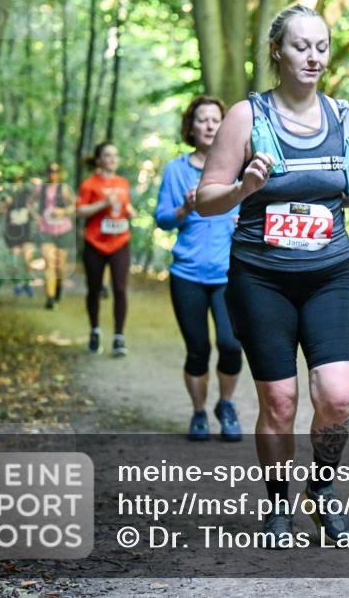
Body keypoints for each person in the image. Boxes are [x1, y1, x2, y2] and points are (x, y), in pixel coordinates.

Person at [196, 5, 349, 547]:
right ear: (277, 50)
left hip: (329, 273)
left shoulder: (343, 116)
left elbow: (340, 195)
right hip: (261, 278)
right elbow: (207, 199)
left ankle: (322, 489)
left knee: (338, 397)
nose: (313, 56)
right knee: (279, 401)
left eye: (322, 46)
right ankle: (278, 504)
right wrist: (242, 190)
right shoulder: (245, 117)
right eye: (301, 46)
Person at [155, 96, 244, 442]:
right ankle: (199, 412)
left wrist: (244, 219)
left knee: (231, 344)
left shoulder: (238, 170)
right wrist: (183, 209)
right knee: (198, 350)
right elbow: (162, 219)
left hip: (228, 275)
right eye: (202, 120)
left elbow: (258, 215)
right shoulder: (176, 171)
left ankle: (227, 404)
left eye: (215, 120)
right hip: (187, 275)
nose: (209, 125)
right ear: (191, 127)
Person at [76, 142, 136, 357]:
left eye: (115, 155)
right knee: (94, 289)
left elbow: (125, 206)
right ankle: (95, 330)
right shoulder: (89, 184)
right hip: (95, 243)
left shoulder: (123, 182)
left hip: (120, 241)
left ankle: (119, 337)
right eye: (107, 156)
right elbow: (80, 211)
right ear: (99, 159)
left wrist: (130, 212)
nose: (112, 159)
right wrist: (102, 204)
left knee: (120, 288)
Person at [37, 162, 75, 309]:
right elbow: (29, 203)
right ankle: (50, 298)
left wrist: (63, 212)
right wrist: (36, 217)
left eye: (55, 171)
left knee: (60, 266)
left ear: (59, 173)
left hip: (63, 230)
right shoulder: (40, 189)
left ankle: (58, 290)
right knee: (49, 263)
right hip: (46, 230)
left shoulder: (64, 189)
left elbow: (75, 205)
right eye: (50, 170)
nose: (52, 173)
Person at [0, 173, 37, 297]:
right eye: (15, 180)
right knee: (15, 259)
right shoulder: (7, 195)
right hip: (13, 233)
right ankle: (19, 284)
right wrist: (5, 204)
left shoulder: (28, 194)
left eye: (19, 180)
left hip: (26, 232)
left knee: (28, 258)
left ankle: (28, 283)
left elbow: (34, 213)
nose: (17, 183)